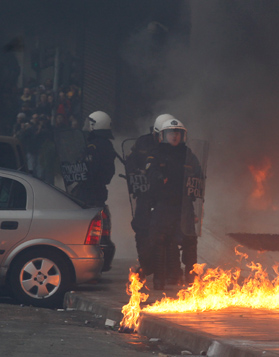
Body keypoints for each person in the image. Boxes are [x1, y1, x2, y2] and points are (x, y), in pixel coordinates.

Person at [145, 119, 202, 290]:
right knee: (161, 241)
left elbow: (199, 175)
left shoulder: (188, 154)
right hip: (164, 205)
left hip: (184, 206)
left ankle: (192, 280)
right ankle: (159, 280)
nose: (174, 136)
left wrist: (196, 188)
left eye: (177, 133)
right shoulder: (157, 154)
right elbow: (150, 171)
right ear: (163, 135)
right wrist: (159, 177)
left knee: (189, 240)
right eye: (171, 133)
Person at [125, 113, 175, 280]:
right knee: (141, 227)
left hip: (165, 196)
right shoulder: (143, 142)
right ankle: (146, 264)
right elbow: (131, 161)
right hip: (145, 193)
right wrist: (134, 173)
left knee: (168, 230)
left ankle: (170, 268)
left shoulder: (175, 145)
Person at [72, 111, 117, 207]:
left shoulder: (94, 146)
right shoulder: (107, 144)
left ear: (94, 125)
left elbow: (89, 169)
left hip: (89, 192)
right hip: (99, 191)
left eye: (89, 123)